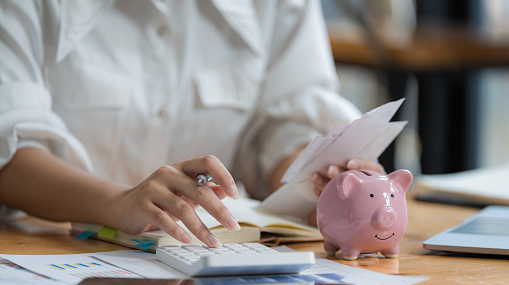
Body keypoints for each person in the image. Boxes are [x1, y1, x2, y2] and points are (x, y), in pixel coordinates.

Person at [0, 0, 384, 248]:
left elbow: (280, 127)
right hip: (47, 253)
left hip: (210, 269)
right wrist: (117, 202)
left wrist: (322, 181)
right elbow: (9, 143)